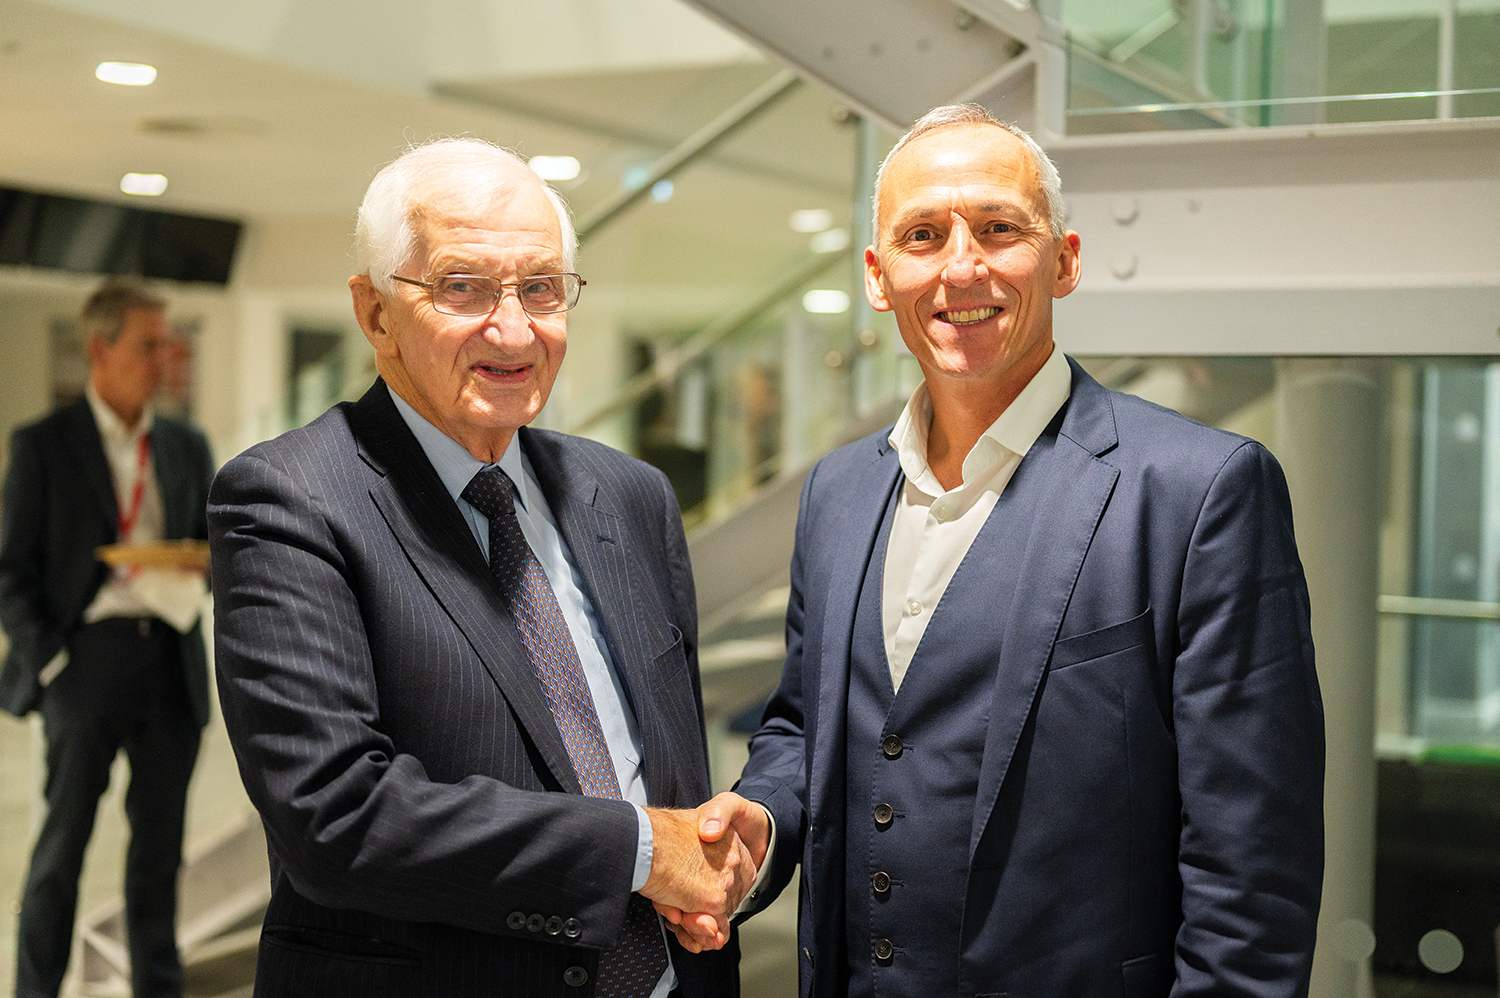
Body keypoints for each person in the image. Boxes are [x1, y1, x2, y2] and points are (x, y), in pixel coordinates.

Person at [682, 104, 1325, 997]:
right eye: (922, 234)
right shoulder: (837, 493)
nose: (961, 265)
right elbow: (800, 723)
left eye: (998, 229)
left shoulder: (1200, 490)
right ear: (878, 276)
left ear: (1063, 259)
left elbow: (1252, 866)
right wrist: (762, 819)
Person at [207, 137, 752, 998]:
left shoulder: (630, 494)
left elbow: (665, 771)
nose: (513, 328)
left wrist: (715, 849)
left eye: (540, 287)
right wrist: (641, 852)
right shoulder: (288, 501)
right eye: (462, 287)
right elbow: (336, 816)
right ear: (375, 311)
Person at [0, 281, 214, 998]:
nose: (164, 358)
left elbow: (215, 546)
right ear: (100, 347)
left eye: (168, 344)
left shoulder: (185, 444)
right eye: (148, 345)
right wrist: (53, 661)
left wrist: (203, 561)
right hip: (84, 664)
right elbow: (11, 571)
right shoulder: (44, 445)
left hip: (170, 661)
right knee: (60, 855)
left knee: (158, 862)